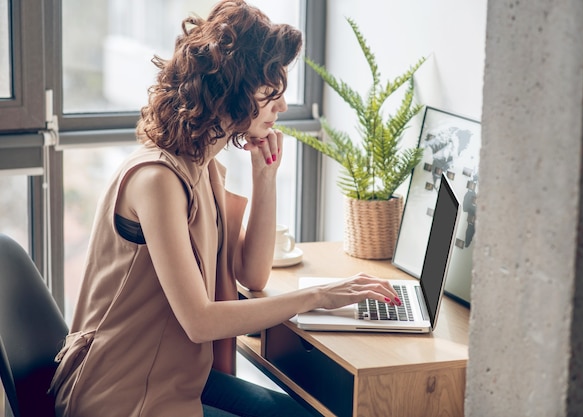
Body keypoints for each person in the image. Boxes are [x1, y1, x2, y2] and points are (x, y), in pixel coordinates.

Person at [48, 1, 402, 416]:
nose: (282, 108)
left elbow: (252, 275)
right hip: (123, 393)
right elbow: (200, 321)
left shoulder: (204, 168)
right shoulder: (158, 179)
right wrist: (318, 295)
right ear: (230, 95)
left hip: (175, 377)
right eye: (271, 95)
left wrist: (265, 178)